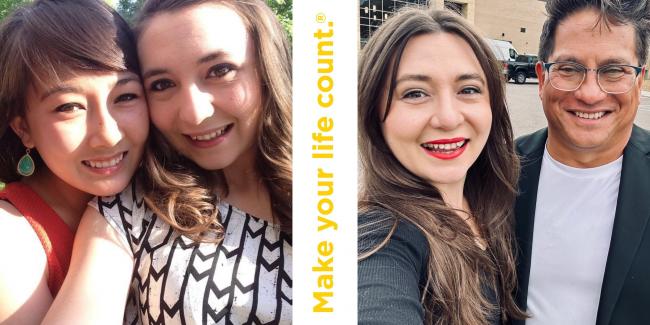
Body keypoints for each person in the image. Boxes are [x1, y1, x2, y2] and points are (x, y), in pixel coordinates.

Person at [42, 0, 292, 324]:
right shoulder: (133, 211)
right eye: (162, 85)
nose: (195, 113)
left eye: (220, 71)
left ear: (266, 67)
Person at [357, 7, 526, 325]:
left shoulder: (494, 199)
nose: (448, 118)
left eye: (469, 89)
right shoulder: (379, 237)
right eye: (415, 93)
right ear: (373, 113)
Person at [0, 0, 148, 323]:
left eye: (125, 96)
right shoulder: (9, 242)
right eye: (69, 107)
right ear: (23, 127)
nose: (107, 135)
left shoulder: (164, 192)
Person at [512, 0, 650, 324]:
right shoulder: (494, 172)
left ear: (639, 82)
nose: (589, 93)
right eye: (570, 69)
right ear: (542, 79)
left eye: (613, 70)